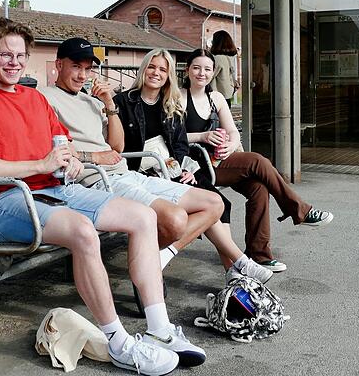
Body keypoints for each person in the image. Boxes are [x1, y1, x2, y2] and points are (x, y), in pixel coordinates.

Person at [0, 18, 205, 374]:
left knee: (142, 216)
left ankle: (159, 329)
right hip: (1, 202)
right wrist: (40, 162)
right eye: (5, 54)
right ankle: (118, 342)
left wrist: (67, 160)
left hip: (53, 189)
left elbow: (61, 143)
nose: (14, 62)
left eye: (20, 55)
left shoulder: (33, 98)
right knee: (83, 231)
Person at [40, 39, 269, 284]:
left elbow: (119, 147)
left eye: (87, 69)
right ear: (58, 65)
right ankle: (233, 265)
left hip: (137, 171)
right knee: (177, 217)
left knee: (215, 203)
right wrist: (94, 156)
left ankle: (165, 256)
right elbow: (55, 147)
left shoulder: (99, 101)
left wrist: (108, 105)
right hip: (113, 175)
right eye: (76, 67)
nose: (82, 75)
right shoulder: (45, 98)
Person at [114, 49, 277, 282]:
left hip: (171, 169)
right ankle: (239, 266)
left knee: (220, 203)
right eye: (152, 67)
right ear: (143, 69)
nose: (156, 73)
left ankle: (233, 271)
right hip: (140, 172)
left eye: (162, 69)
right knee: (208, 204)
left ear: (169, 74)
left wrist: (183, 168)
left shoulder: (170, 103)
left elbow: (179, 145)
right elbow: (118, 148)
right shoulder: (124, 101)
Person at [180, 49, 334, 271]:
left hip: (220, 160)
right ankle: (299, 210)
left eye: (207, 69)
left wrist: (230, 146)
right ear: (187, 70)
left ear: (213, 72)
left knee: (258, 187)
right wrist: (202, 136)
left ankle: (259, 255)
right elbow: (172, 136)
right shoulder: (178, 98)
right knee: (257, 161)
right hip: (197, 167)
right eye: (196, 68)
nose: (201, 73)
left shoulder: (216, 99)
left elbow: (233, 132)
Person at [209, 30, 239, 107]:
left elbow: (209, 75)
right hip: (227, 94)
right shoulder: (230, 57)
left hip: (217, 95)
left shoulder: (218, 58)